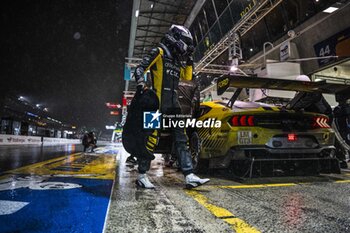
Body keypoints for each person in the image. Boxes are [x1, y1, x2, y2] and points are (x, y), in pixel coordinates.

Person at [134, 25, 210, 189]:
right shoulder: (159, 52)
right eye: (186, 42)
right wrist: (141, 84)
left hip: (173, 106)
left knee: (182, 140)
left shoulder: (176, 61)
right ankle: (141, 175)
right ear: (176, 37)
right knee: (151, 139)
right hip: (156, 104)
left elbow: (187, 78)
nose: (187, 46)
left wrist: (189, 60)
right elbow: (140, 68)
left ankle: (189, 175)